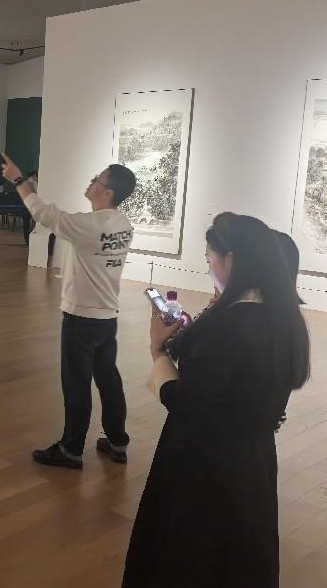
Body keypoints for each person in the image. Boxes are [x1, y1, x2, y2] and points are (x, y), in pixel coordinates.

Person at [124, 212, 310, 587]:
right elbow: (231, 377)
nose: (208, 267)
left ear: (232, 260)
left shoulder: (229, 325)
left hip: (204, 463)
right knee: (239, 555)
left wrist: (158, 351)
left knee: (192, 554)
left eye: (210, 258)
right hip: (254, 460)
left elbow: (185, 401)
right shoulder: (282, 318)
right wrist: (200, 334)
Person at [1, 154, 137, 468]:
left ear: (108, 192)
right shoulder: (123, 225)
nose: (91, 181)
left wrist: (19, 180)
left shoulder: (88, 226)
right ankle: (117, 441)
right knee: (109, 380)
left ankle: (71, 449)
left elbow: (44, 214)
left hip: (81, 319)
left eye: (97, 180)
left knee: (76, 385)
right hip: (107, 318)